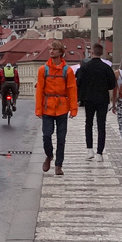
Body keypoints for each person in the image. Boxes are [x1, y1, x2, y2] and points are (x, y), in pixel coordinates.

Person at [35, 40, 78, 176]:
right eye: (50, 49)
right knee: (46, 135)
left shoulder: (68, 71)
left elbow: (72, 90)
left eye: (54, 49)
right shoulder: (43, 70)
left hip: (62, 107)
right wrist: (38, 109)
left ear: (60, 52)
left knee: (61, 138)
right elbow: (39, 90)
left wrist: (73, 108)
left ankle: (59, 165)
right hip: (47, 106)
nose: (51, 52)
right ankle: (49, 155)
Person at [75, 43, 116, 161]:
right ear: (102, 53)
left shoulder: (84, 67)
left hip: (88, 99)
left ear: (91, 52)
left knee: (89, 123)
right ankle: (99, 153)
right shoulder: (106, 68)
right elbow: (112, 85)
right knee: (101, 125)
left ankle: (89, 150)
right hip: (102, 99)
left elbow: (78, 83)